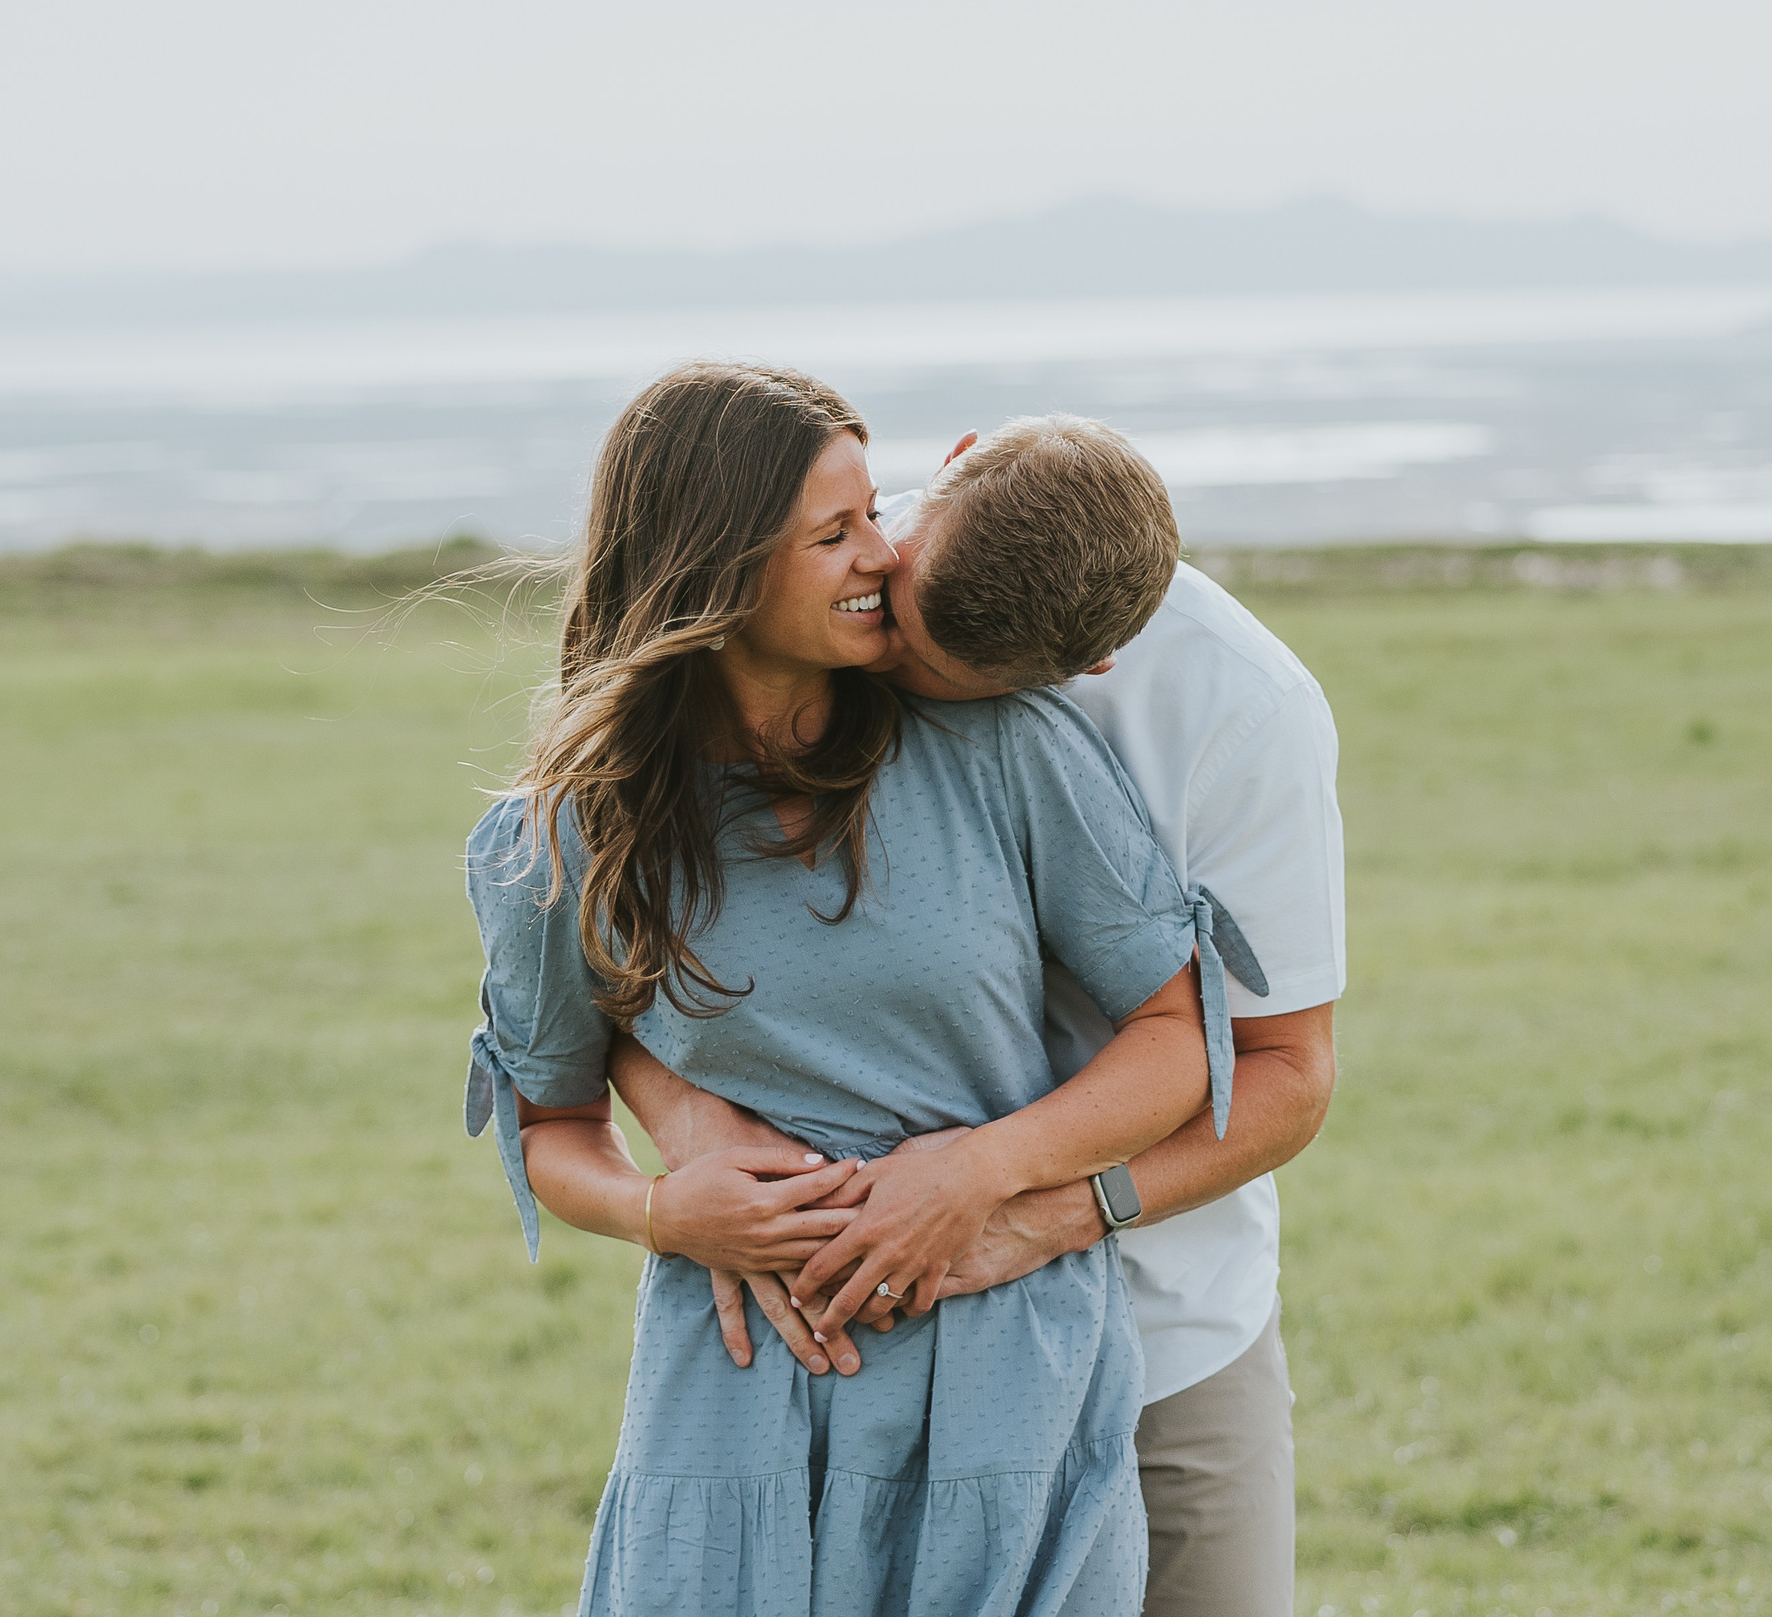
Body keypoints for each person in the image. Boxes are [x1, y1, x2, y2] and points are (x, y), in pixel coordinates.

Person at [464, 364, 1249, 1616]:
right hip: (731, 1404)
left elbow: (1179, 1036)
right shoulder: (557, 841)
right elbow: (549, 1121)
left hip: (1010, 1381)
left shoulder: (1005, 746)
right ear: (710, 573)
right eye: (835, 534)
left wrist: (983, 1169)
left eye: (874, 511)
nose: (884, 554)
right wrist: (665, 1214)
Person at [611, 415, 1344, 1617]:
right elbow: (627, 952)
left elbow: (1284, 1073)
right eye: (890, 592)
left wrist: (1028, 1202)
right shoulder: (834, 590)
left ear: (1073, 677)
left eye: (932, 680)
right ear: (944, 463)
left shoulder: (1243, 713)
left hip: (1164, 1319)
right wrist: (689, 1125)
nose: (875, 649)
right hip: (851, 1342)